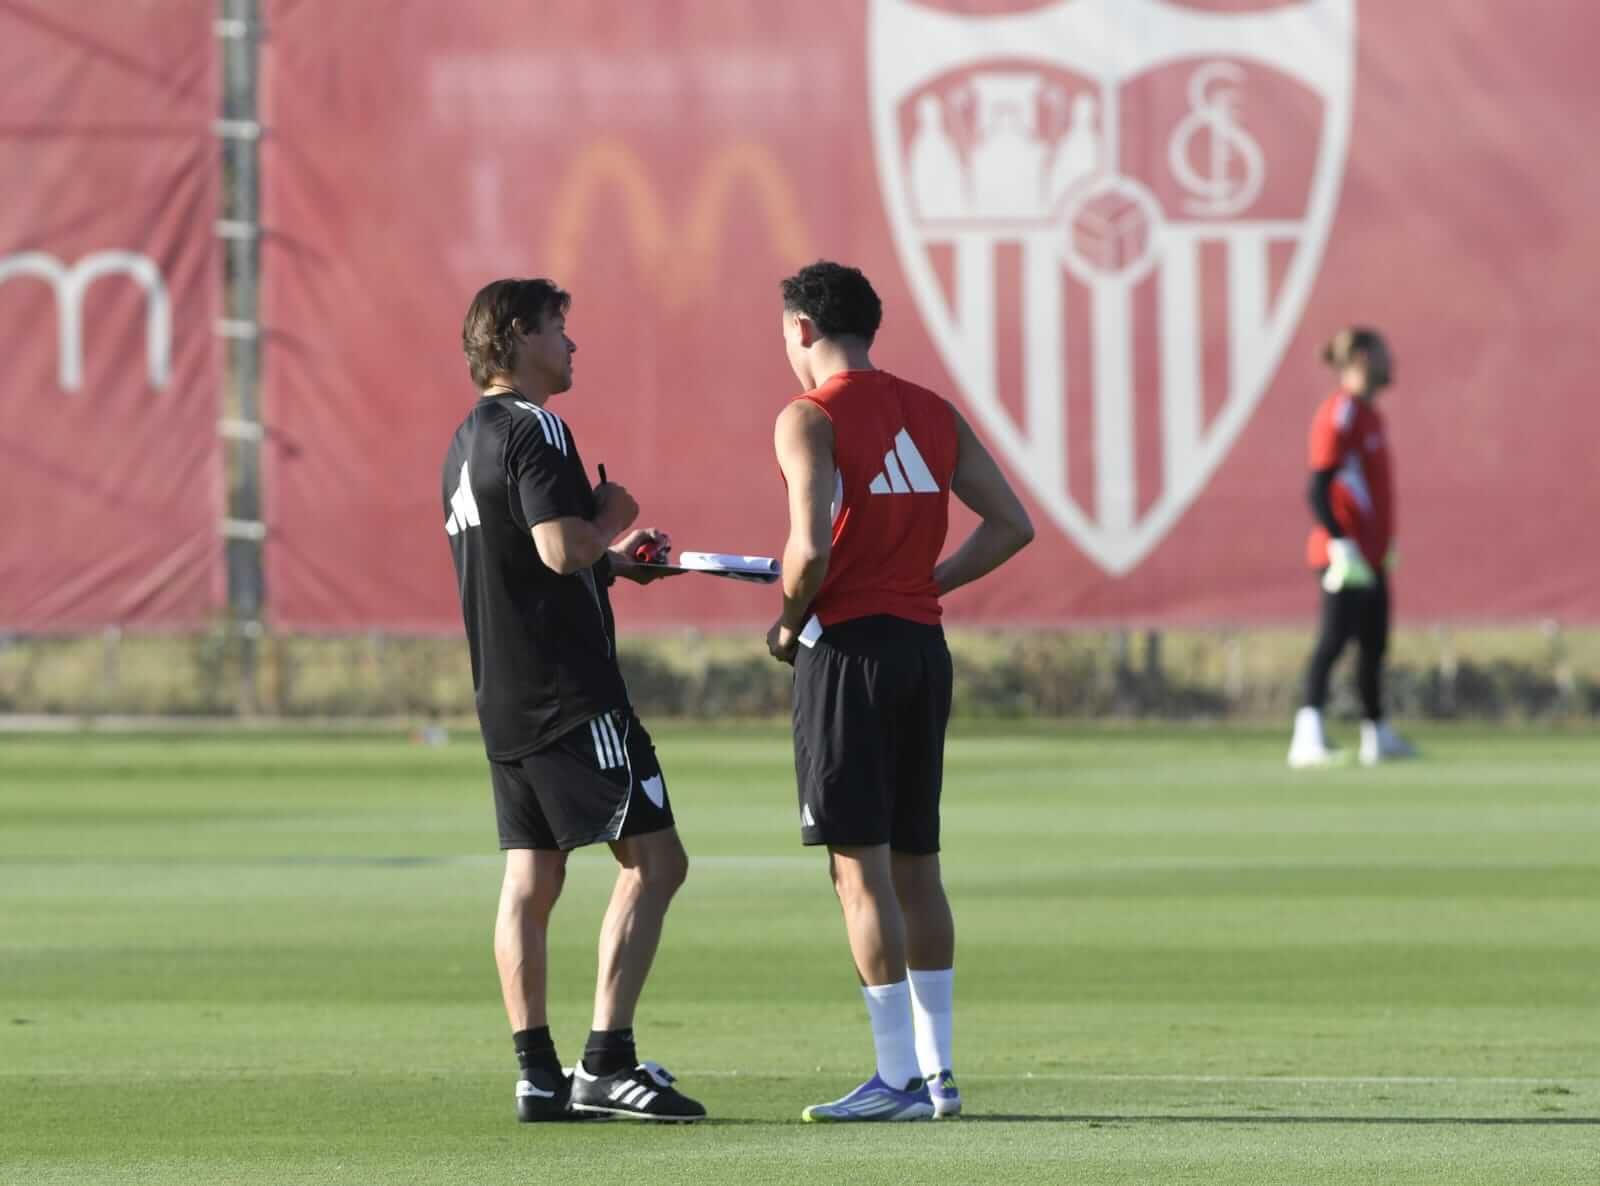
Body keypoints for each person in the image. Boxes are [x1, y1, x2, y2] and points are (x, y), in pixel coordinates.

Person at [765, 261, 1035, 1122]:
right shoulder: (933, 410)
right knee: (919, 865)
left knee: (859, 870)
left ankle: (895, 1079)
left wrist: (787, 622)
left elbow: (808, 551)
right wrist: (930, 581)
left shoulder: (807, 416)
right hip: (923, 650)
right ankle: (938, 1072)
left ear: (803, 327)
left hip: (847, 654)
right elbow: (1012, 525)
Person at [442, 277, 705, 1123]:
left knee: (532, 876)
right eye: (560, 329)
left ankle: (536, 1074)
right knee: (658, 864)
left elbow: (529, 561)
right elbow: (560, 549)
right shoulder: (537, 425)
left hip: (504, 696)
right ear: (520, 335)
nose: (572, 345)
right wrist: (607, 514)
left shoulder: (465, 440)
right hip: (571, 695)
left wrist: (614, 562)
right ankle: (606, 1063)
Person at [1287, 326, 1416, 768]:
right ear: (1361, 358)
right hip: (1343, 554)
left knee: (1374, 643)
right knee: (1333, 638)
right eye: (1381, 354)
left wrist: (1382, 542)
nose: (1389, 362)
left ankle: (1376, 733)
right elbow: (1318, 487)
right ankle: (1307, 734)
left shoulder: (1370, 416)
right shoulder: (1339, 413)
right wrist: (1340, 542)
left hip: (1372, 555)